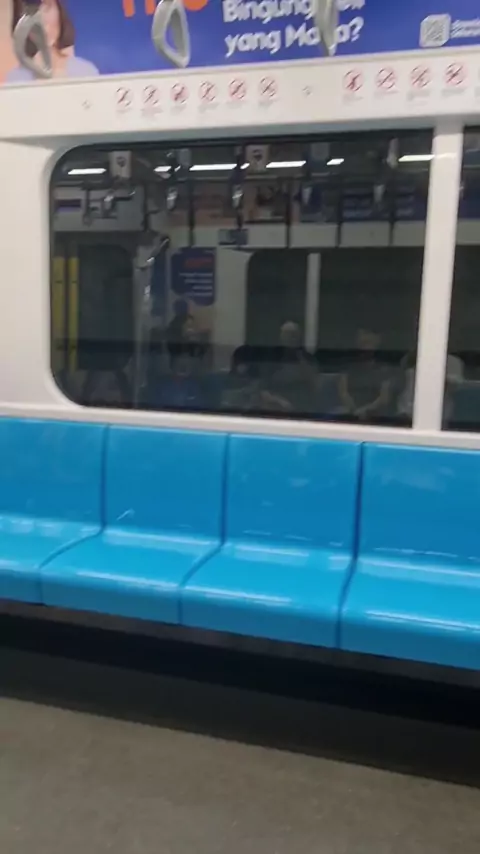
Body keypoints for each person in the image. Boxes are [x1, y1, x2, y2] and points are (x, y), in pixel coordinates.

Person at [6, 0, 98, 82]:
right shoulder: (16, 80)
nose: (41, 20)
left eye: (46, 7)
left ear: (59, 11)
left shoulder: (86, 73)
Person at [339, 329, 390, 422]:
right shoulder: (348, 365)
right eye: (364, 342)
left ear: (377, 342)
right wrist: (354, 410)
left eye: (369, 342)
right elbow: (343, 392)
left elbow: (384, 398)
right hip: (350, 412)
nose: (366, 346)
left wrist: (365, 410)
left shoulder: (384, 368)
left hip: (376, 414)